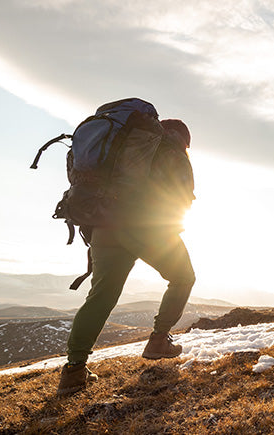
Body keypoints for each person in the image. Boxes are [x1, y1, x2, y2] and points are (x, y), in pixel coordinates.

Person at [57, 118, 197, 396]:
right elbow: (182, 197)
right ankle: (158, 340)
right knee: (183, 277)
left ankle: (73, 370)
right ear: (183, 139)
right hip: (147, 227)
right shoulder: (170, 149)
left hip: (103, 226)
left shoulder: (119, 148)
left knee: (101, 296)